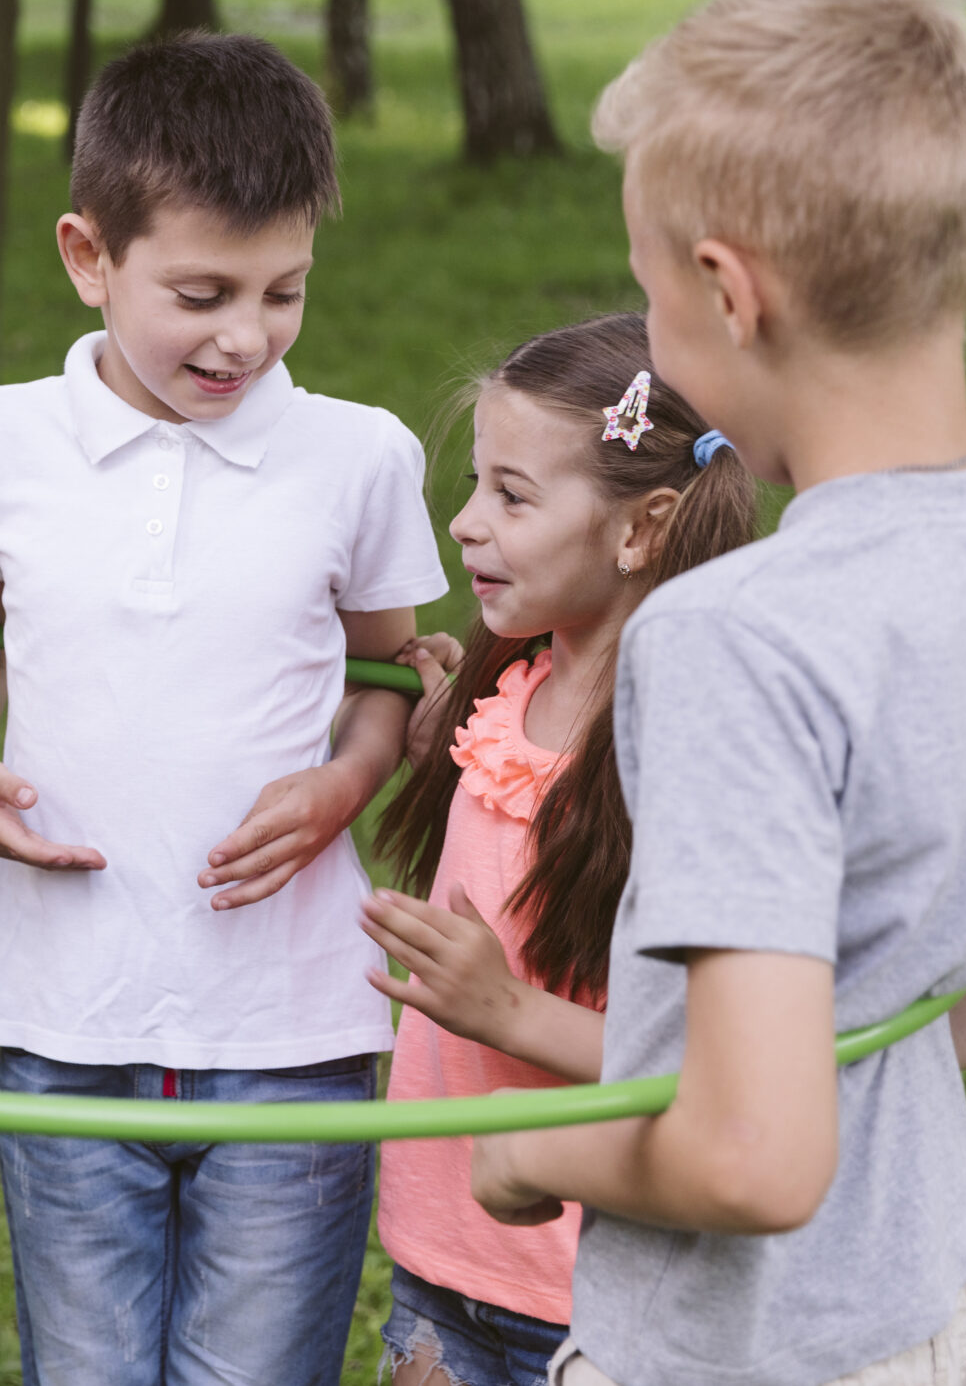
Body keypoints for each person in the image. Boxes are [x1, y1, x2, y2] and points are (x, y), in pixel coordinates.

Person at [467, 0, 966, 1386]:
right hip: (952, 1313)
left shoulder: (735, 634)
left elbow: (753, 1159)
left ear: (729, 293)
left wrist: (533, 1147)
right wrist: (810, 1054)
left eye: (648, 296)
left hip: (750, 1351)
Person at [0, 33, 449, 1386]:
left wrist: (345, 782)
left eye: (283, 291)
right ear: (90, 256)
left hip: (294, 1032)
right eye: (201, 292)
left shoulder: (359, 456)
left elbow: (388, 678)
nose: (244, 334)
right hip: (68, 1022)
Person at [360, 314, 756, 1386]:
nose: (462, 523)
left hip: (602, 1293)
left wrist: (510, 1014)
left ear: (642, 529)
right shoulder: (506, 691)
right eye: (476, 485)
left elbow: (725, 1062)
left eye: (511, 496)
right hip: (443, 1262)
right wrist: (438, 709)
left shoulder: (686, 756)